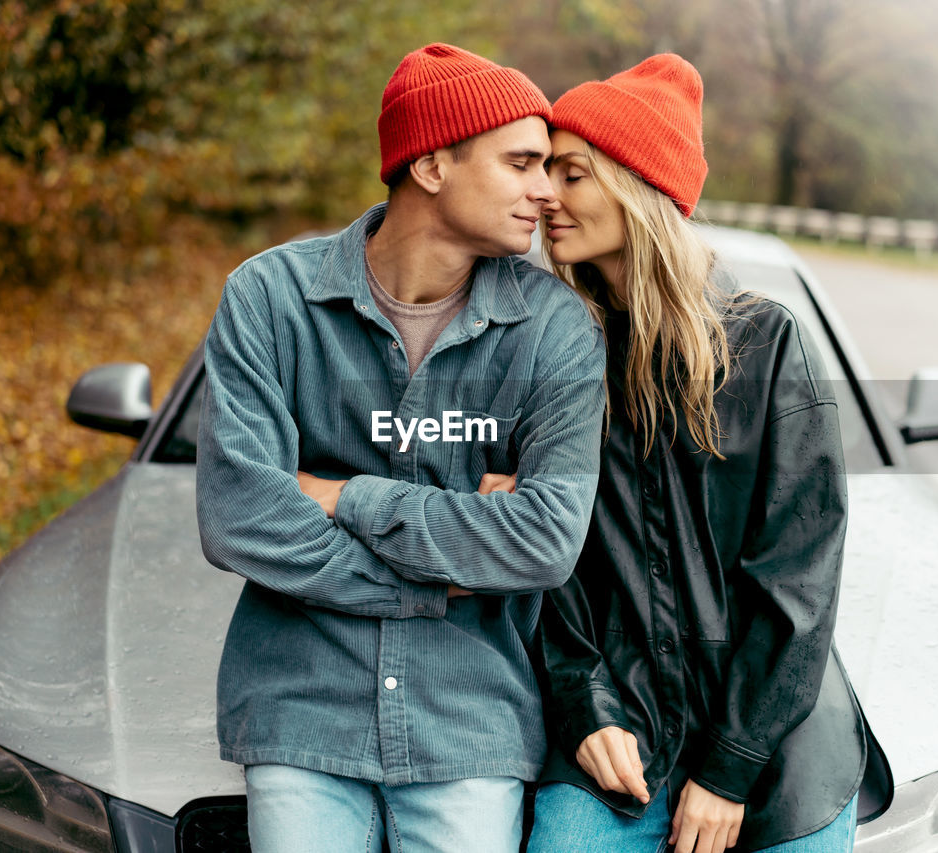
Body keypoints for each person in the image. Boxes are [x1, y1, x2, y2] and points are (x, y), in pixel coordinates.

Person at [195, 43, 606, 853]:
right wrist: (446, 574)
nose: (544, 190)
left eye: (549, 166)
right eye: (521, 162)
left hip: (471, 717)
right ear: (430, 165)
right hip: (300, 706)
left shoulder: (556, 330)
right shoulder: (271, 298)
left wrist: (345, 496)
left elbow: (546, 539)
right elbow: (242, 515)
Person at [519, 55, 867, 853]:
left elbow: (799, 578)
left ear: (637, 187)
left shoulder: (770, 345)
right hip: (618, 743)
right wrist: (583, 704)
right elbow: (553, 564)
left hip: (776, 753)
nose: (546, 197)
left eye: (572, 174)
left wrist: (730, 766)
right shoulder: (555, 351)